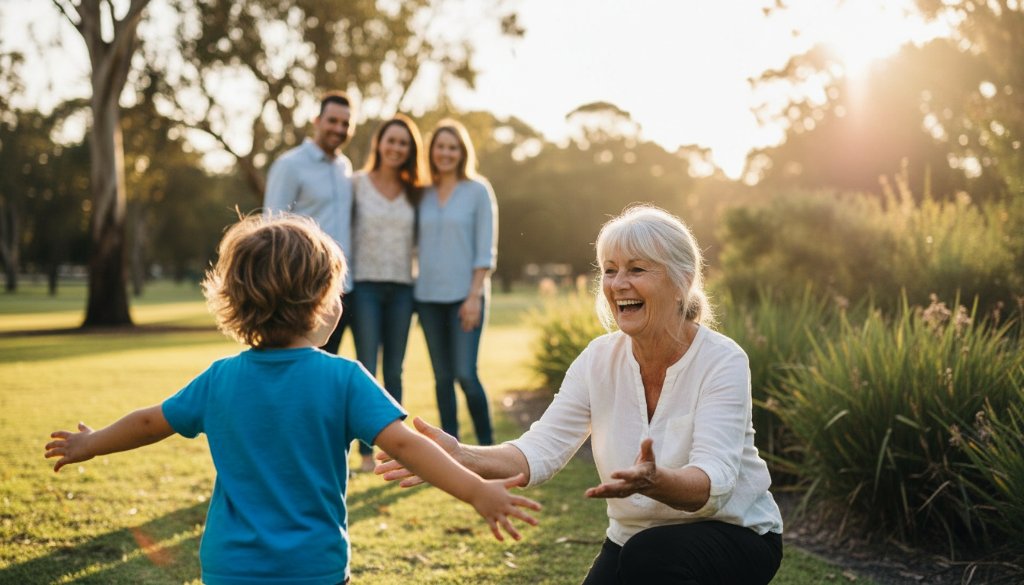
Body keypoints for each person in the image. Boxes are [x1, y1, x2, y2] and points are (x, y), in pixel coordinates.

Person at [44, 214, 541, 585]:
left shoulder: (220, 378)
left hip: (230, 567)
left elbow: (152, 422)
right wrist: (476, 490)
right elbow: (408, 447)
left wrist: (91, 445)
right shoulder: (344, 378)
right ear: (321, 301)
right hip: (312, 567)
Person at [378, 205, 785, 584]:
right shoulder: (598, 359)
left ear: (682, 282)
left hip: (736, 534)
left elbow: (714, 483)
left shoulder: (722, 360)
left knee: (653, 555)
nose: (618, 283)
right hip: (633, 537)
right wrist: (461, 456)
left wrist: (656, 481)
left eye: (637, 269)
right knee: (644, 551)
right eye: (609, 270)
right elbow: (540, 450)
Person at [349, 114, 427, 472]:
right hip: (364, 284)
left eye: (403, 143)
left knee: (394, 370)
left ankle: (391, 450)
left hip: (402, 289)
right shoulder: (356, 184)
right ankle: (363, 451)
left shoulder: (417, 190)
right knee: (365, 367)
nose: (396, 148)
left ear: (410, 151)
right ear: (379, 143)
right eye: (391, 141)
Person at [415, 119, 498, 445]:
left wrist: (474, 295)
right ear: (431, 151)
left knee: (466, 374)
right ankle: (452, 452)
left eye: (453, 147)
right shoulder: (420, 193)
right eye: (440, 147)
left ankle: (489, 448)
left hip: (466, 295)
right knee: (442, 378)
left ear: (462, 153)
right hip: (427, 297)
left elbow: (485, 249)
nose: (446, 153)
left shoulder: (478, 190)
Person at [264, 90, 356, 356]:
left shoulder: (344, 167)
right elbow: (272, 227)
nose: (338, 129)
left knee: (329, 367)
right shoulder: (290, 165)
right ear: (317, 121)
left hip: (341, 290)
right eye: (333, 121)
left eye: (345, 124)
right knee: (301, 366)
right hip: (302, 291)